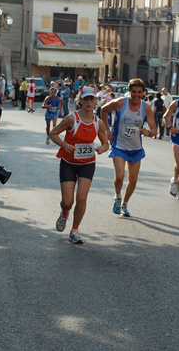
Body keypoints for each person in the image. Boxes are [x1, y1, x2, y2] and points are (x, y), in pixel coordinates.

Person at [50, 86, 108, 243]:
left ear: (96, 101)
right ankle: (64, 213)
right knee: (68, 202)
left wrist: (103, 148)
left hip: (87, 163)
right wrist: (64, 145)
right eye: (86, 99)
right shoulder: (71, 119)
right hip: (69, 162)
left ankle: (74, 230)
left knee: (81, 198)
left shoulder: (98, 122)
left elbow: (106, 143)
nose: (89, 102)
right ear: (80, 101)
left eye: (92, 99)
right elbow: (53, 133)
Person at [100, 78, 156, 217]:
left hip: (135, 148)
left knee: (133, 179)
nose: (136, 95)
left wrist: (148, 132)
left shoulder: (146, 108)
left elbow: (155, 130)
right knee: (120, 176)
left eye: (139, 92)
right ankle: (117, 196)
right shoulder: (120, 103)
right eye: (133, 92)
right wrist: (107, 129)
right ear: (129, 92)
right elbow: (103, 110)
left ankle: (125, 203)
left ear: (143, 93)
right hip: (119, 145)